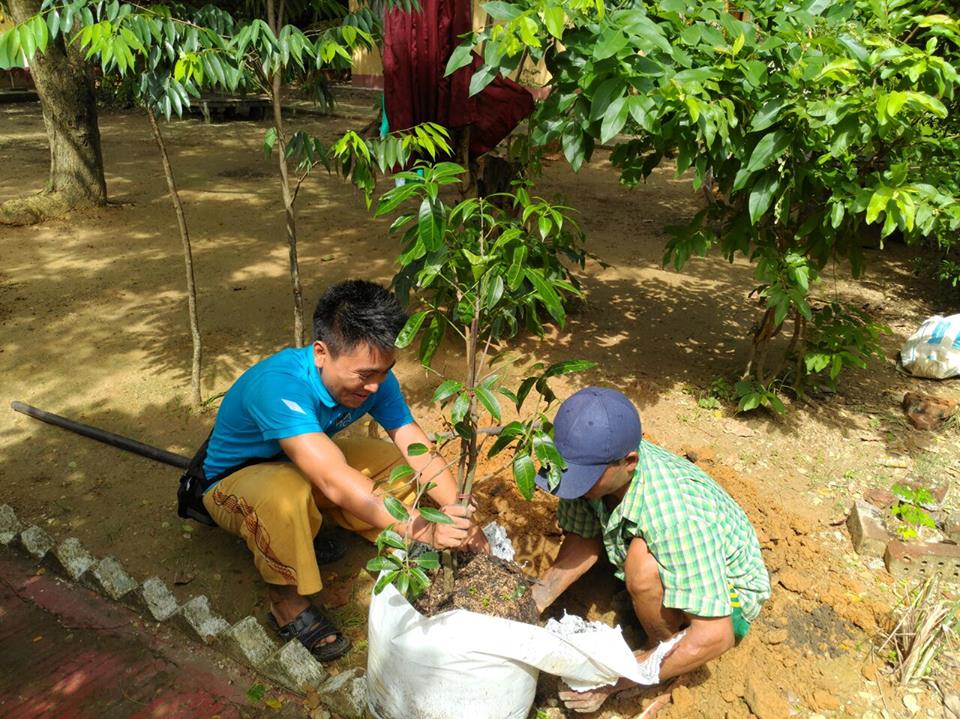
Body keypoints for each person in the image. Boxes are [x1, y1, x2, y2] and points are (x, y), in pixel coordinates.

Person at [183, 280, 488, 661]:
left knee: (392, 464)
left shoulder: (376, 378)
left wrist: (455, 510)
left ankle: (403, 551)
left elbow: (413, 443)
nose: (376, 386)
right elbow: (333, 479)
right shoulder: (277, 386)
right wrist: (425, 526)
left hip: (299, 462)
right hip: (234, 482)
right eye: (365, 374)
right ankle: (285, 600)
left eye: (385, 371)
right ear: (321, 353)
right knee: (285, 494)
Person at [531, 387, 770, 713]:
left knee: (641, 567)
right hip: (683, 554)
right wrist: (538, 597)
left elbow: (716, 634)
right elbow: (583, 537)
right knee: (638, 556)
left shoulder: (675, 515)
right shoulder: (593, 472)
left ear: (629, 462)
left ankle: (661, 648)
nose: (575, 486)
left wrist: (622, 676)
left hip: (727, 599)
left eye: (584, 478)